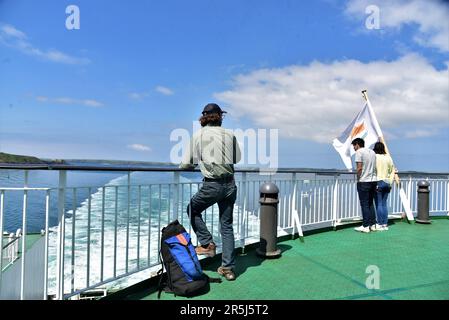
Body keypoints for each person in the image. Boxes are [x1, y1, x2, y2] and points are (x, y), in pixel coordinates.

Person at [180, 103, 241, 281]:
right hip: (230, 185)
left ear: (204, 118)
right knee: (226, 225)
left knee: (192, 208)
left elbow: (185, 163)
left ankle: (207, 243)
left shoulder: (198, 135)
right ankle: (228, 269)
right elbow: (236, 158)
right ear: (220, 117)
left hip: (212, 185)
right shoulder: (230, 134)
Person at [352, 138, 378, 233]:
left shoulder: (359, 152)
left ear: (357, 144)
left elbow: (359, 168)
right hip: (373, 181)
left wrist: (358, 179)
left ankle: (366, 226)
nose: (354, 148)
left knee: (364, 204)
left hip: (364, 181)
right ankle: (373, 224)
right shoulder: (372, 152)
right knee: (371, 203)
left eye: (354, 146)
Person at [373, 142, 394, 231]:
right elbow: (392, 170)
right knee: (384, 204)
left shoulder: (375, 157)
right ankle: (385, 223)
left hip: (378, 181)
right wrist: (390, 182)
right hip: (387, 182)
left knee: (379, 204)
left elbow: (373, 169)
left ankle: (380, 223)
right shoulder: (388, 158)